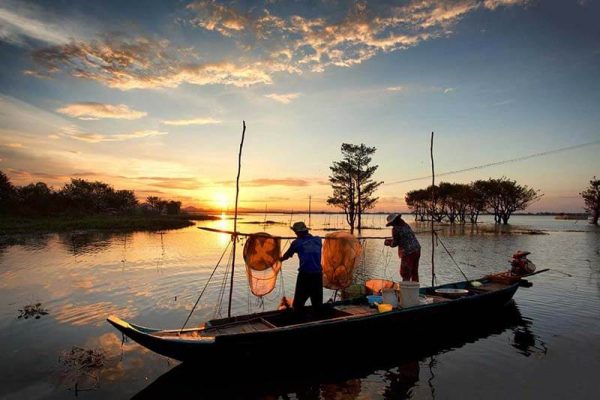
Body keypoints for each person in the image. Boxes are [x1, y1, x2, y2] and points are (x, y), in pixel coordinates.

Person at [280, 221, 323, 312]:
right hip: (318, 275)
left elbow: (286, 256)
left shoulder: (296, 243)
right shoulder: (318, 240)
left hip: (305, 276)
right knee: (317, 303)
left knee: (298, 304)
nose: (295, 234)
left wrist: (279, 260)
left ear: (298, 232)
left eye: (295, 232)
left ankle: (297, 321)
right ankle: (318, 319)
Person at [384, 213, 421, 282]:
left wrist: (388, 243)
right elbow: (403, 238)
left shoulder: (395, 229)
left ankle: (405, 290)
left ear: (394, 222)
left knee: (405, 273)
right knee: (414, 272)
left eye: (392, 223)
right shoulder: (406, 225)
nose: (392, 225)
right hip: (417, 249)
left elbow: (395, 243)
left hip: (408, 252)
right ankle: (415, 290)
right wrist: (391, 240)